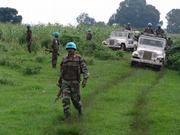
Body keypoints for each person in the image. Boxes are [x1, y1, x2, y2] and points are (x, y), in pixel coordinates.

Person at [57, 42, 89, 119]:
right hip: (65, 82)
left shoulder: (79, 59)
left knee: (76, 101)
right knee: (65, 100)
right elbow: (62, 72)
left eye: (71, 49)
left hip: (75, 83)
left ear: (74, 50)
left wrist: (85, 80)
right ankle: (67, 117)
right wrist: (60, 82)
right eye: (68, 49)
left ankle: (80, 110)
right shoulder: (64, 59)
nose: (70, 51)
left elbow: (85, 70)